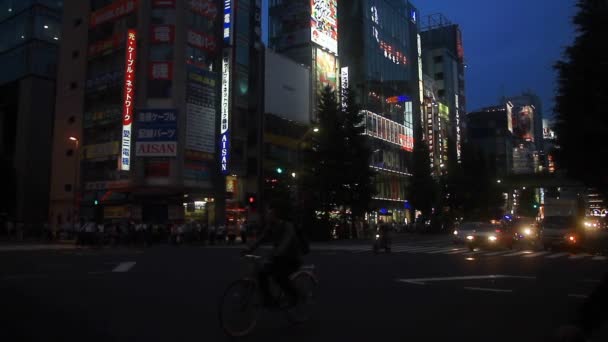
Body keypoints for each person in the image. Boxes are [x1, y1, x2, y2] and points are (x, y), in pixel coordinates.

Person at [244, 204, 302, 308]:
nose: (267, 215)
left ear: (275, 215)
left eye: (269, 213)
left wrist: (277, 252)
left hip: (292, 258)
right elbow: (261, 239)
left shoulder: (288, 226)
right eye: (267, 213)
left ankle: (295, 296)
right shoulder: (271, 226)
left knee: (279, 276)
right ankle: (269, 300)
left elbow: (286, 241)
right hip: (279, 258)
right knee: (261, 273)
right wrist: (249, 249)